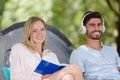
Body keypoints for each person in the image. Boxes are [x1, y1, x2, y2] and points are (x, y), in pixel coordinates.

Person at [10, 16, 83, 80]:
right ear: (29, 33)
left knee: (68, 77)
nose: (39, 33)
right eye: (35, 30)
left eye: (42, 29)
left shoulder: (51, 55)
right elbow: (15, 77)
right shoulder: (19, 48)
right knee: (75, 68)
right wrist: (40, 78)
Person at [69, 11, 120, 80]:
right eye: (92, 25)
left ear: (103, 27)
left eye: (99, 25)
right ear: (84, 28)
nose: (96, 28)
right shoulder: (78, 53)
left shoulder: (111, 51)